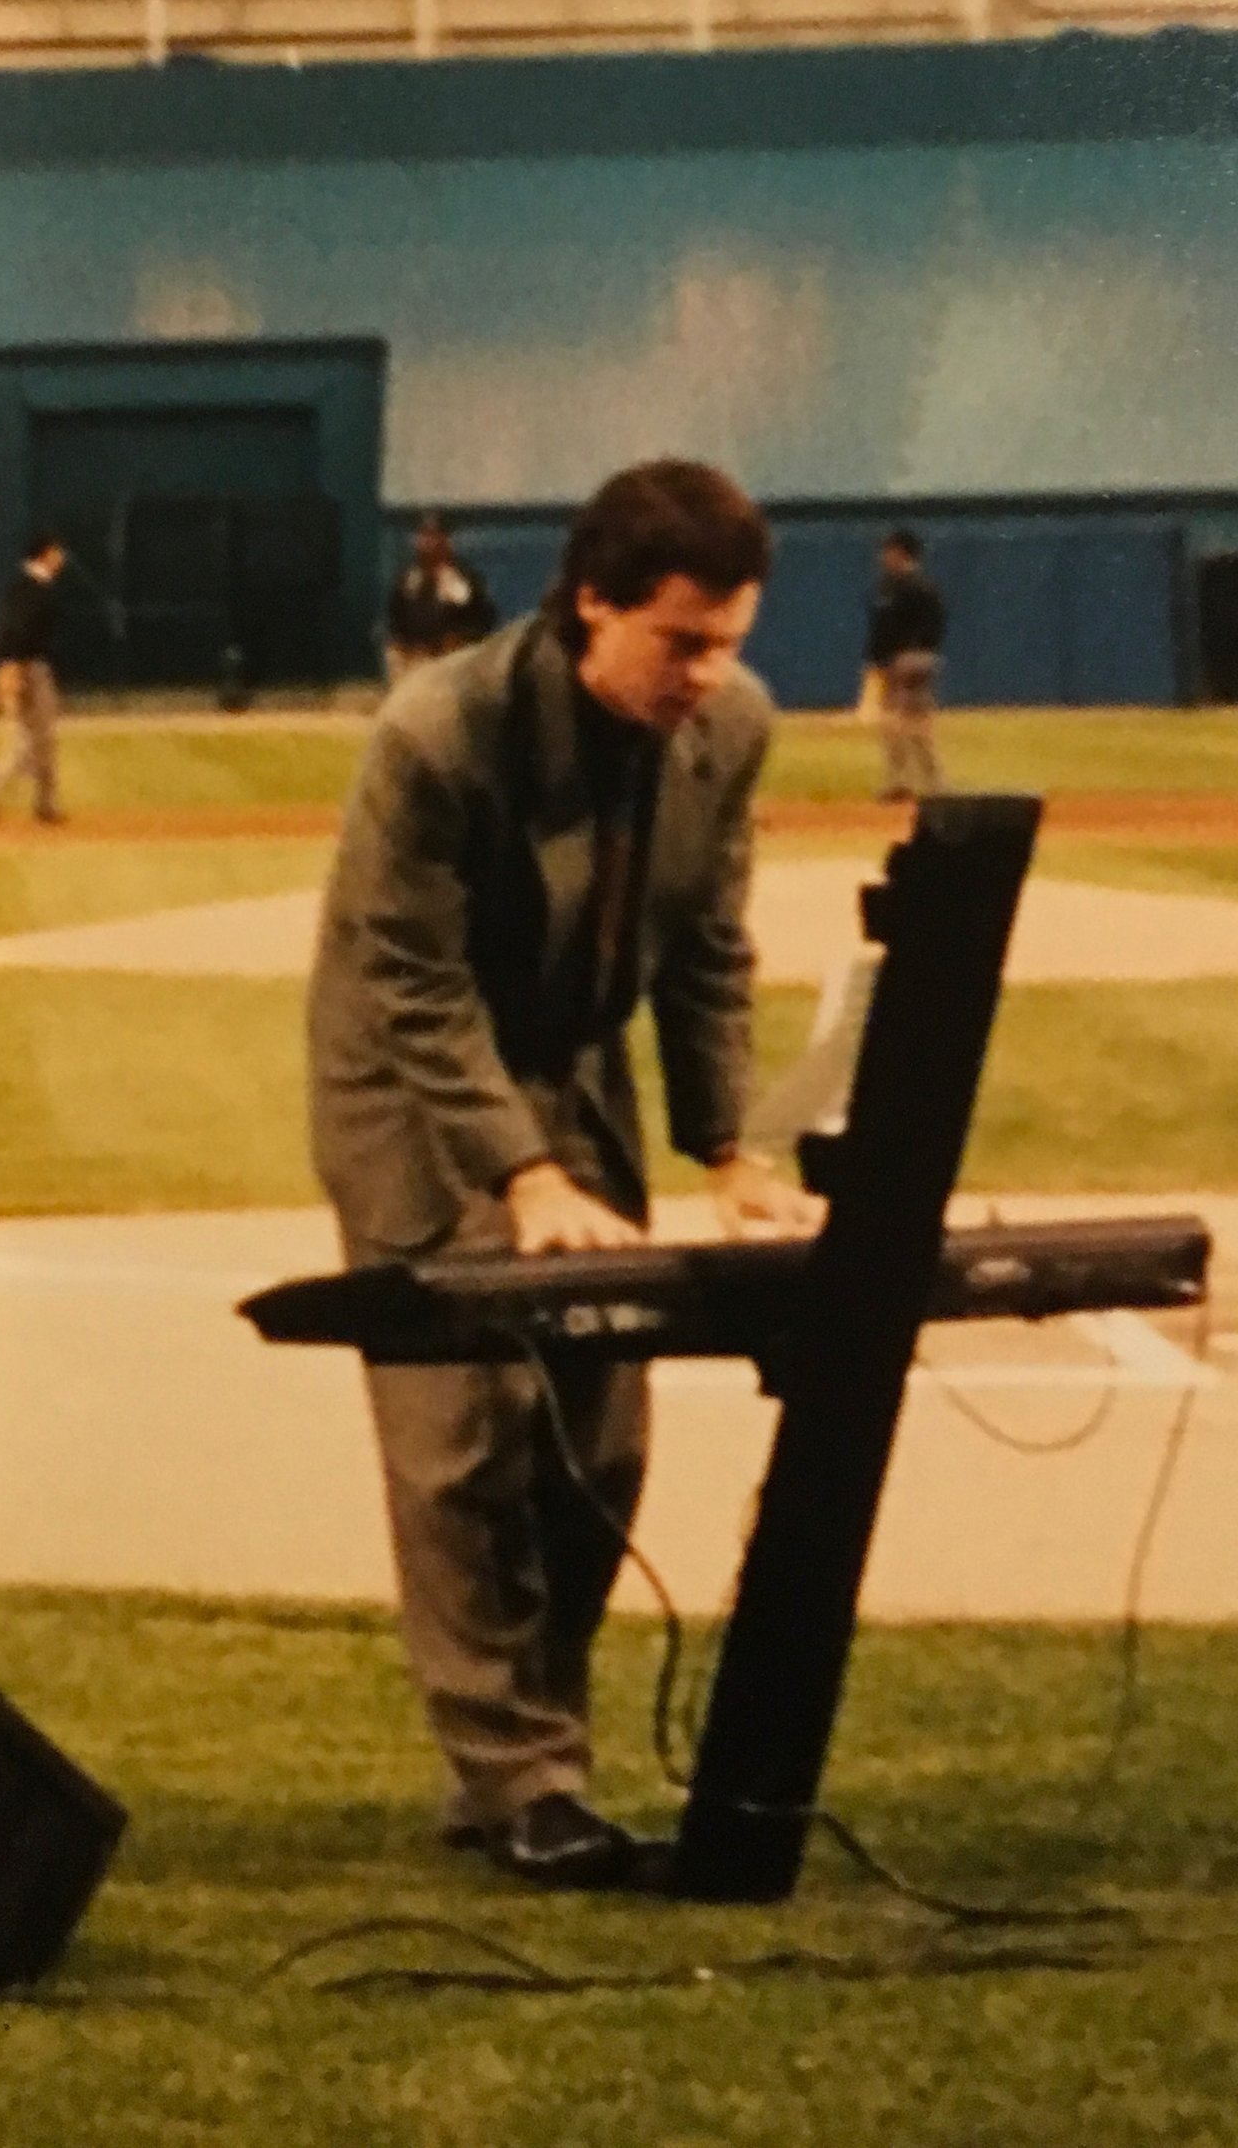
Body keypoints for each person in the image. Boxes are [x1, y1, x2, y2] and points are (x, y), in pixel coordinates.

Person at [307, 460, 819, 1888]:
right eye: (681, 641)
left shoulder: (734, 730)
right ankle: (521, 1774)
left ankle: (537, 1755)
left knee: (604, 1433)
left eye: (731, 640)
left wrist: (730, 1150)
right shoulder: (439, 733)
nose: (711, 673)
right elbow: (409, 982)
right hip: (413, 1080)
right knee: (469, 1429)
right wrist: (521, 1171)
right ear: (591, 602)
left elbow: (710, 944)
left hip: (573, 1055)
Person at [0, 537, 69, 823]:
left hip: (25, 665)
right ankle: (38, 803)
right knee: (39, 737)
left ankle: (29, 801)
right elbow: (15, 630)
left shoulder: (29, 588)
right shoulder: (30, 589)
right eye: (57, 553)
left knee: (29, 740)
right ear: (44, 555)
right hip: (30, 668)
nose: (62, 558)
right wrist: (11, 667)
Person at [864, 530, 948, 802]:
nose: (883, 556)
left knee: (906, 725)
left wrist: (910, 657)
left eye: (888, 550)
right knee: (905, 726)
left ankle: (920, 785)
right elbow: (880, 631)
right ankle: (918, 785)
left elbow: (931, 629)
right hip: (897, 662)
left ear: (901, 552)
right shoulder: (890, 586)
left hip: (913, 662)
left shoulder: (918, 587)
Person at [383, 514, 498, 684]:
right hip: (413, 661)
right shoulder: (408, 580)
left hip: (453, 661)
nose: (428, 543)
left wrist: (459, 641)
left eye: (434, 536)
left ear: (446, 540)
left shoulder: (465, 580)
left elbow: (484, 620)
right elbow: (395, 621)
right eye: (423, 536)